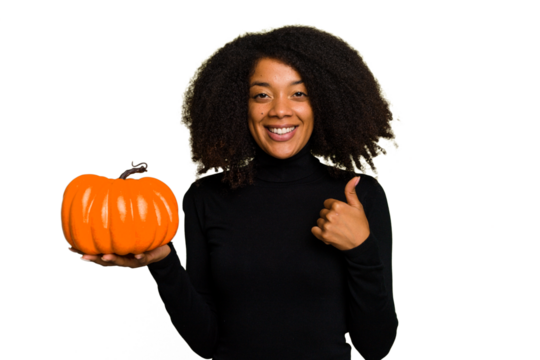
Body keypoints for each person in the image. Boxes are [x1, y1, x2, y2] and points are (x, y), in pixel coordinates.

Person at [67, 20, 402, 360]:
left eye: (299, 93)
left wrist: (361, 249)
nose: (280, 110)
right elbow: (207, 342)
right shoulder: (205, 197)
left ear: (324, 101)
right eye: (262, 95)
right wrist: (163, 262)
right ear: (236, 104)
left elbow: (375, 347)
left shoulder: (359, 196)